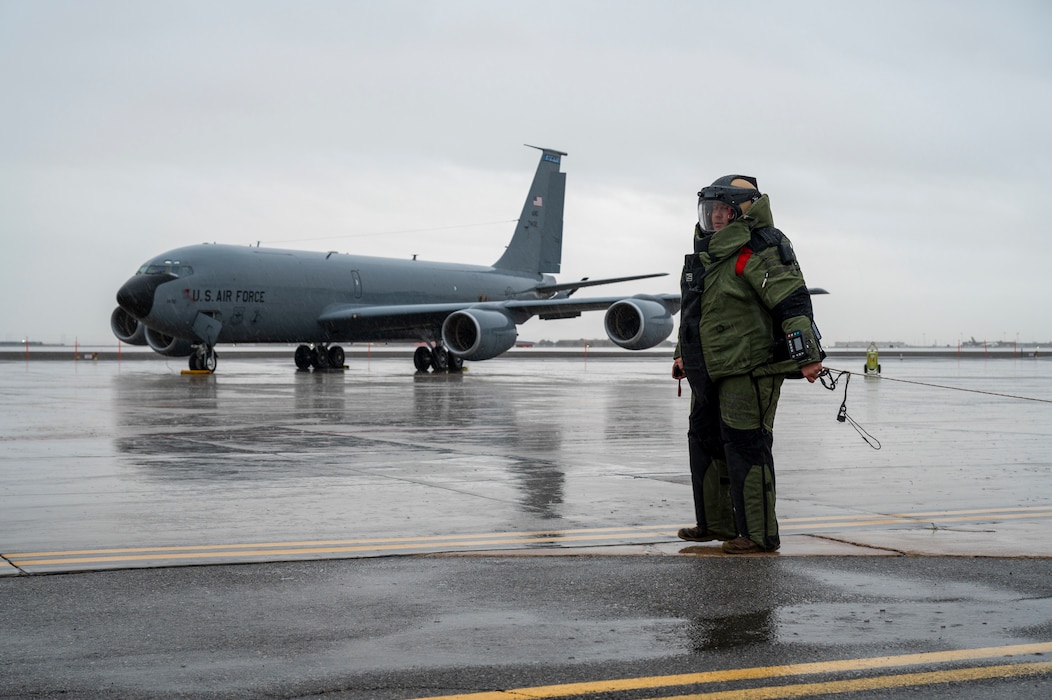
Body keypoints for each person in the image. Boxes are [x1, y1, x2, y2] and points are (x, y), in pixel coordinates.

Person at [675, 175, 824, 554]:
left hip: (750, 369)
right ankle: (716, 524)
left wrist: (807, 357)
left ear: (740, 210)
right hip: (707, 369)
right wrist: (681, 354)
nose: (714, 219)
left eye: (721, 211)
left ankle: (758, 535)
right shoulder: (704, 258)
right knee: (704, 442)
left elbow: (792, 302)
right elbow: (692, 312)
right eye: (708, 212)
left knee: (746, 447)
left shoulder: (760, 250)